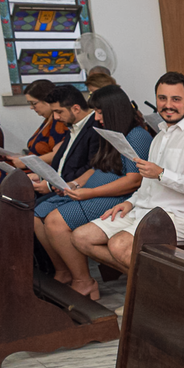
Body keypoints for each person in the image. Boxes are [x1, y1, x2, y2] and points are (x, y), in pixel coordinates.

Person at [71, 72, 184, 274]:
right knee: (81, 237)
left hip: (180, 218)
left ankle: (151, 295)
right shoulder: (160, 136)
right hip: (145, 211)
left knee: (119, 245)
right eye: (162, 98)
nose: (168, 104)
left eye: (176, 99)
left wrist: (161, 173)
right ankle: (148, 285)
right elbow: (148, 185)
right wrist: (129, 202)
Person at [32, 85, 152, 300]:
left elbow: (134, 181)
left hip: (118, 197)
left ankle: (84, 281)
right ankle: (64, 272)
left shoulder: (137, 136)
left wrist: (91, 193)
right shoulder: (110, 133)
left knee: (56, 222)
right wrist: (74, 184)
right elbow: (97, 167)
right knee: (38, 213)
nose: (96, 118)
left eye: (99, 112)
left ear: (114, 111)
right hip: (95, 191)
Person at [0, 79, 66, 186]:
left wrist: (26, 161)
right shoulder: (48, 120)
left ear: (47, 100)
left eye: (34, 103)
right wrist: (19, 157)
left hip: (40, 171)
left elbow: (59, 155)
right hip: (31, 165)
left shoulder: (59, 122)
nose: (32, 107)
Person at [31, 85, 100, 196]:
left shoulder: (95, 128)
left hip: (75, 190)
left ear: (76, 109)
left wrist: (50, 185)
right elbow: (63, 161)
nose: (56, 117)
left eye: (59, 112)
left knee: (30, 210)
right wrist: (41, 177)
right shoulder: (73, 123)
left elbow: (91, 167)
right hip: (58, 186)